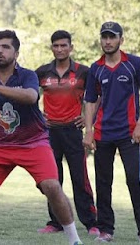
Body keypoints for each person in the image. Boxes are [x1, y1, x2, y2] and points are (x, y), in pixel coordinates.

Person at [0, 30, 83, 245]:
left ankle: (75, 241)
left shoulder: (27, 75)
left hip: (34, 142)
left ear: (16, 52)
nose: (0, 51)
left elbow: (31, 97)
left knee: (52, 186)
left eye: (5, 47)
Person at [82, 21, 140, 243]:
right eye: (104, 37)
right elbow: (90, 101)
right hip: (103, 134)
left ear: (121, 40)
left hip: (129, 133)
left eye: (112, 37)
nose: (108, 41)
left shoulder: (134, 64)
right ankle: (106, 230)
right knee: (104, 183)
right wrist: (88, 131)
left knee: (134, 179)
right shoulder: (96, 68)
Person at [35, 30, 99, 236]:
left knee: (80, 179)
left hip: (73, 132)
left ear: (71, 47)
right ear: (51, 48)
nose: (60, 49)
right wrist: (37, 116)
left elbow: (98, 96)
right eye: (56, 45)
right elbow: (28, 96)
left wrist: (90, 118)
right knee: (53, 180)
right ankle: (56, 223)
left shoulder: (83, 72)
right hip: (49, 133)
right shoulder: (42, 72)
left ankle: (91, 223)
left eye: (64, 45)